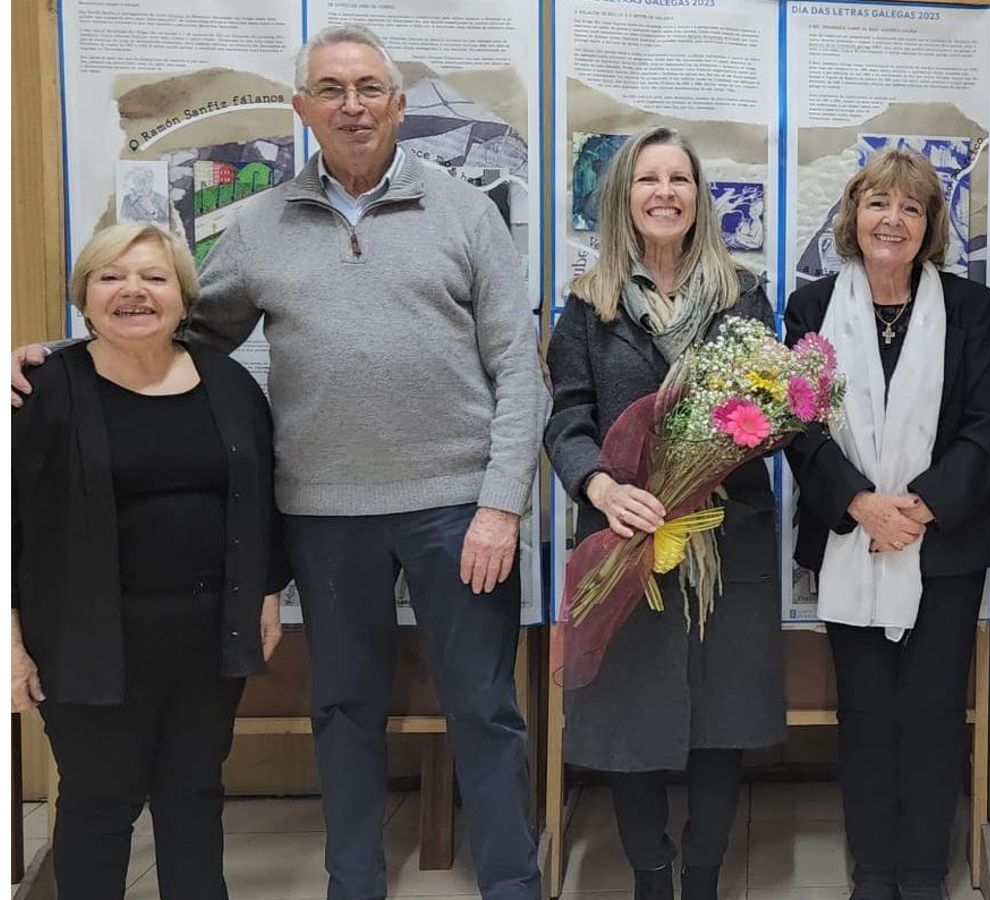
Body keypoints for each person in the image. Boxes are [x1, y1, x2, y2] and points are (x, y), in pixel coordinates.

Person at [14, 24, 549, 900]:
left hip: (456, 510)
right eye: (331, 89)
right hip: (322, 513)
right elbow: (168, 332)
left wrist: (501, 505)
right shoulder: (261, 223)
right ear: (301, 109)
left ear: (399, 105)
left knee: (484, 712)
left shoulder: (466, 214)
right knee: (343, 714)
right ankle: (354, 885)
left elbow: (517, 368)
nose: (351, 104)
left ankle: (512, 886)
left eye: (369, 87)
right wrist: (50, 356)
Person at [544, 126, 785, 900]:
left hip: (724, 539)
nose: (664, 192)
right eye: (648, 179)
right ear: (624, 197)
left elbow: (769, 406)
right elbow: (567, 416)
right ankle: (651, 875)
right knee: (631, 720)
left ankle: (705, 876)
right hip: (626, 542)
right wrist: (600, 488)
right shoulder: (588, 304)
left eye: (679, 179)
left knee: (721, 718)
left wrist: (716, 462)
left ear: (698, 196)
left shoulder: (744, 295)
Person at [12, 223, 287, 899]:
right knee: (101, 800)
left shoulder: (229, 385)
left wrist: (265, 595)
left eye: (154, 278)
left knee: (194, 793)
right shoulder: (40, 392)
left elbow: (260, 502)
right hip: (85, 636)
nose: (133, 291)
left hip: (207, 633)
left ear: (184, 298)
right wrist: (9, 636)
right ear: (84, 296)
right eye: (112, 277)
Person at [784, 148, 990, 899]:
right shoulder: (810, 308)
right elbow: (799, 426)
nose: (894, 219)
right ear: (854, 216)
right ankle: (874, 872)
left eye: (912, 208)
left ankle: (923, 874)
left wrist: (917, 507)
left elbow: (987, 424)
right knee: (868, 714)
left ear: (930, 227)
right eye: (879, 202)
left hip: (941, 545)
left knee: (935, 713)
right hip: (852, 540)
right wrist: (860, 504)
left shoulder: (971, 309)